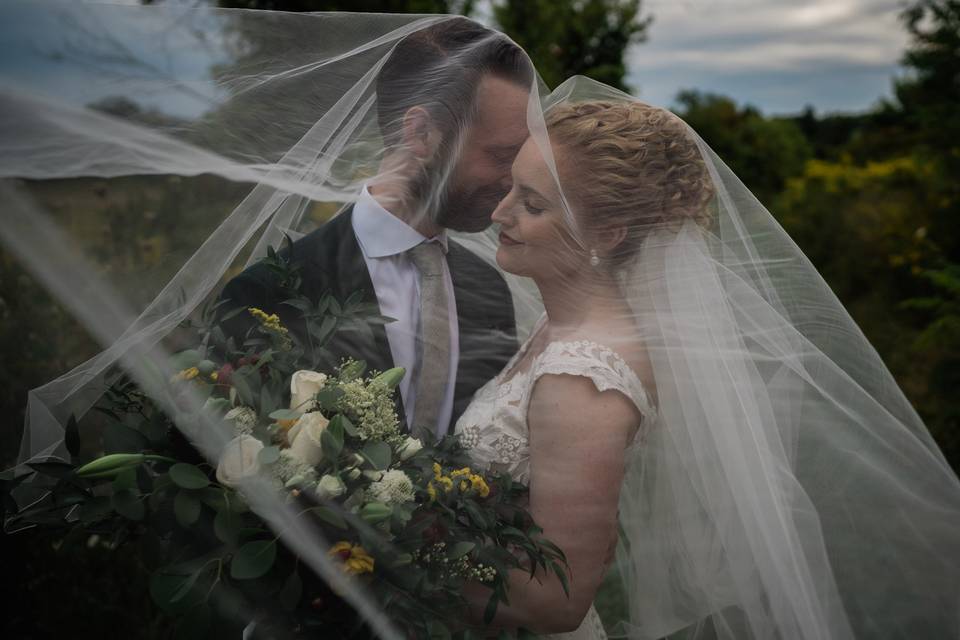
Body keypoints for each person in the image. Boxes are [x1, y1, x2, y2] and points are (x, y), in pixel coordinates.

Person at [217, 17, 532, 442]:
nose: (514, 177)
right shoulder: (269, 294)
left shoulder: (489, 289)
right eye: (500, 155)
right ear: (420, 133)